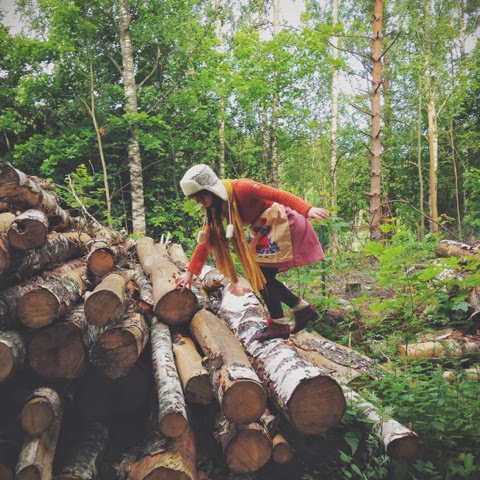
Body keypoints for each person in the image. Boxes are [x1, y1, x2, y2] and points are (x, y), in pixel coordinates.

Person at [175, 164, 329, 341]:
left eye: (200, 196)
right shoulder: (218, 207)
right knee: (263, 276)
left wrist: (307, 209)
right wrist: (190, 273)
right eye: (195, 199)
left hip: (283, 222)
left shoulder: (242, 188)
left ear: (210, 189)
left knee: (261, 275)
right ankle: (301, 309)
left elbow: (277, 194)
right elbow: (208, 239)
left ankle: (279, 324)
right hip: (267, 228)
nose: (199, 202)